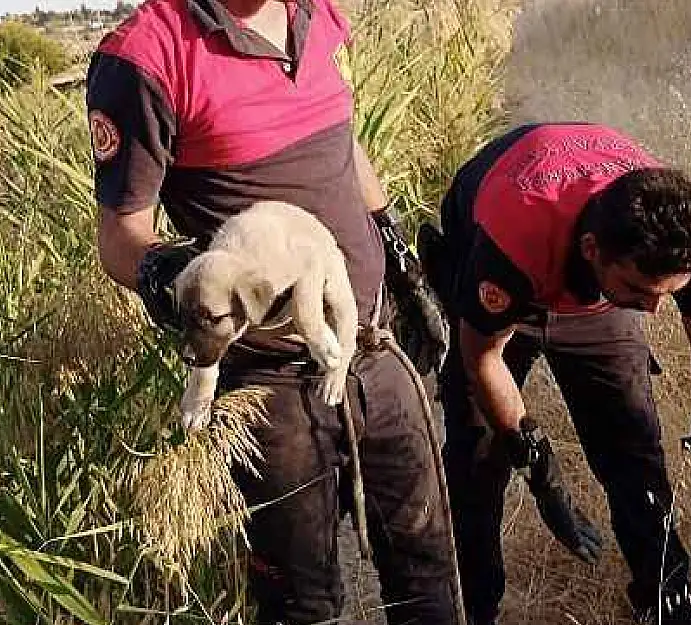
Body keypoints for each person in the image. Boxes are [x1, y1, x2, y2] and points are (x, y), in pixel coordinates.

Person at [84, 1, 458, 623]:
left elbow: (343, 137)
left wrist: (395, 248)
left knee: (428, 570)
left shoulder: (313, 13)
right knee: (301, 604)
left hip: (375, 340)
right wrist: (176, 277)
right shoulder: (145, 55)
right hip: (269, 389)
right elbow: (121, 238)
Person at [421, 122, 691, 625]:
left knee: (634, 450)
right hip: (500, 244)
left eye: (667, 294)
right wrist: (540, 472)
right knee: (478, 455)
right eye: (642, 290)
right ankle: (473, 607)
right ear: (592, 250)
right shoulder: (516, 237)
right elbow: (483, 358)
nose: (653, 312)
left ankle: (666, 601)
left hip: (589, 278)